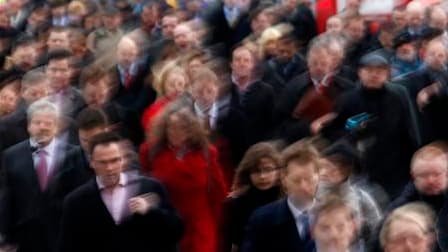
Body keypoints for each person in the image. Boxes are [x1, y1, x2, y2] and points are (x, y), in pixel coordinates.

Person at [58, 132, 183, 252]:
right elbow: (68, 246)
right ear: (92, 162)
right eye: (103, 162)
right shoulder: (76, 201)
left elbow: (176, 230)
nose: (109, 168)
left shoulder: (149, 187)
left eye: (114, 160)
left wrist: (150, 211)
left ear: (123, 160)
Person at [320, 51, 420, 198]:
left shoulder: (398, 97)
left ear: (387, 73)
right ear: (360, 72)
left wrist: (415, 160)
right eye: (369, 70)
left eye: (379, 71)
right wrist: (352, 135)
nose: (374, 75)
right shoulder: (348, 99)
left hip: (395, 166)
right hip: (360, 167)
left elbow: (410, 130)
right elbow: (334, 130)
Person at [141, 102, 227, 252]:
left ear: (191, 130)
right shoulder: (151, 152)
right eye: (171, 127)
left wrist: (219, 225)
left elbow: (218, 192)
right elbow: (143, 186)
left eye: (182, 128)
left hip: (199, 225)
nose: (176, 132)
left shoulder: (207, 153)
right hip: (165, 223)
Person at [0, 100, 78, 252]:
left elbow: (77, 197)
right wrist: (4, 237)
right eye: (37, 122)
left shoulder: (74, 154)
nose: (43, 127)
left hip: (61, 236)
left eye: (48, 123)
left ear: (57, 127)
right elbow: (6, 198)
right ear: (29, 126)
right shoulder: (11, 155)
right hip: (24, 238)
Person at [241, 140, 320, 252]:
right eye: (296, 180)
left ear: (318, 176)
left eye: (308, 179)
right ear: (284, 179)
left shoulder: (334, 215)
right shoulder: (262, 220)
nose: (303, 186)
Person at [222, 142, 282, 252]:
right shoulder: (238, 204)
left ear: (279, 171)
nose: (262, 176)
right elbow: (233, 242)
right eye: (256, 171)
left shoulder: (287, 201)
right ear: (248, 173)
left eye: (268, 169)